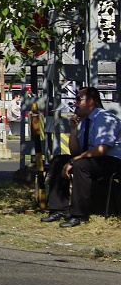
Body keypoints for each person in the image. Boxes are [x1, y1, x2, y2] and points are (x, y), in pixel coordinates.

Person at [40, 86, 121, 228]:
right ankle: (59, 208)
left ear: (91, 101)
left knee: (80, 165)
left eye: (79, 99)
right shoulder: (84, 121)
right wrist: (73, 129)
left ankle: (79, 214)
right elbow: (75, 151)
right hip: (93, 158)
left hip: (111, 160)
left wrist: (74, 161)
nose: (75, 103)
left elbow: (101, 149)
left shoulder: (104, 118)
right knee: (58, 161)